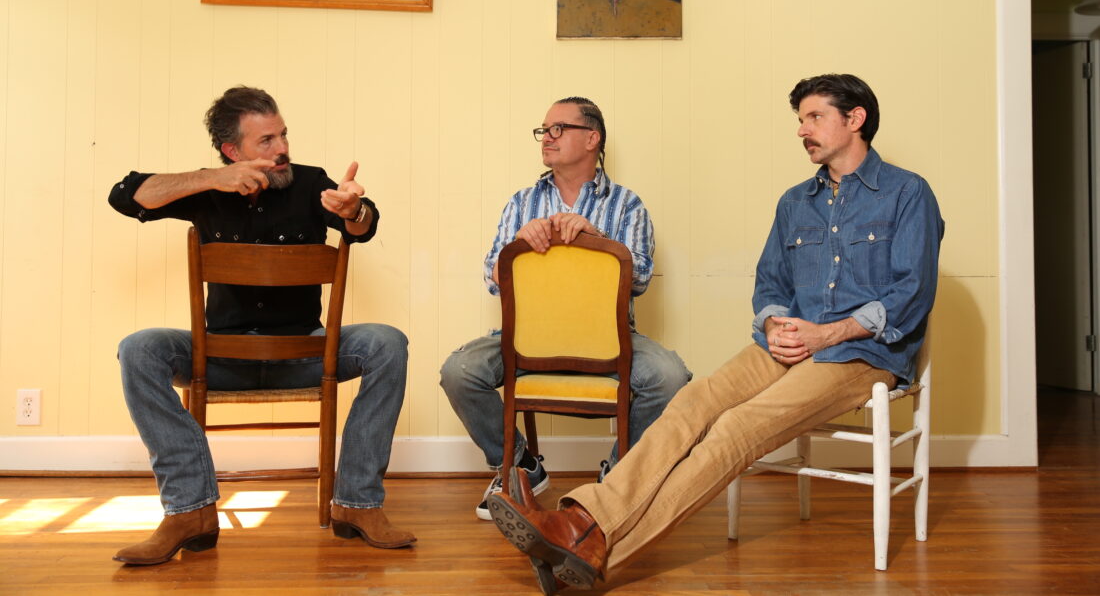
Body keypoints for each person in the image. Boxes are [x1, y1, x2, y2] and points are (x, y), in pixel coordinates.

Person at [486, 74, 944, 593]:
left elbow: (912, 293)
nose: (802, 130)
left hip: (860, 353)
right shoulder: (796, 202)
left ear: (855, 118)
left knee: (736, 427)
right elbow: (770, 284)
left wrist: (826, 335)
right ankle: (580, 524)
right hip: (786, 345)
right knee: (693, 402)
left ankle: (593, 548)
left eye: (814, 117)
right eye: (801, 120)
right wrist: (774, 323)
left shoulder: (908, 193)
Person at [109, 86, 415, 565]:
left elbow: (364, 225)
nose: (282, 148)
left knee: (387, 343)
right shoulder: (206, 190)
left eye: (283, 135)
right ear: (233, 152)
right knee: (139, 348)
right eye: (267, 141)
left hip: (305, 355)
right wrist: (213, 178)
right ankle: (190, 511)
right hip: (221, 358)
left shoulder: (310, 182)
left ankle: (357, 504)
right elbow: (125, 195)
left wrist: (355, 210)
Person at [440, 97, 692, 521]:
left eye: (558, 128)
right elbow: (492, 277)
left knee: (670, 378)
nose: (547, 137)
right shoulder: (521, 202)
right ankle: (518, 467)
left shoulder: (627, 205)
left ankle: (618, 476)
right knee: (459, 372)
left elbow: (641, 279)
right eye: (544, 130)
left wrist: (597, 241)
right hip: (525, 342)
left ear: (592, 138)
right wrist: (519, 245)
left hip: (611, 341)